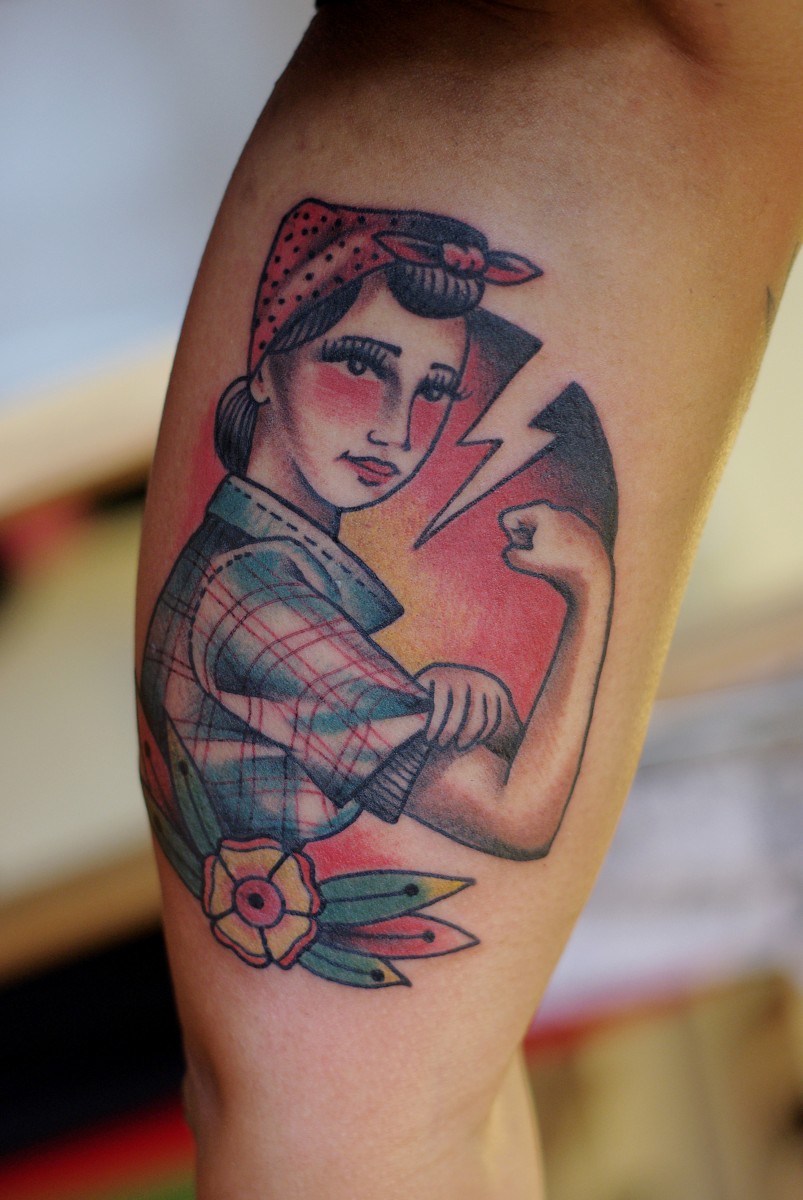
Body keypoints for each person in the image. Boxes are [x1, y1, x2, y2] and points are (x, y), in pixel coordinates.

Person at [135, 2, 803, 1196]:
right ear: (269, 361)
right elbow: (511, 815)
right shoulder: (266, 606)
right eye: (360, 366)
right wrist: (586, 589)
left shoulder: (275, 588)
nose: (398, 430)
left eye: (434, 390)